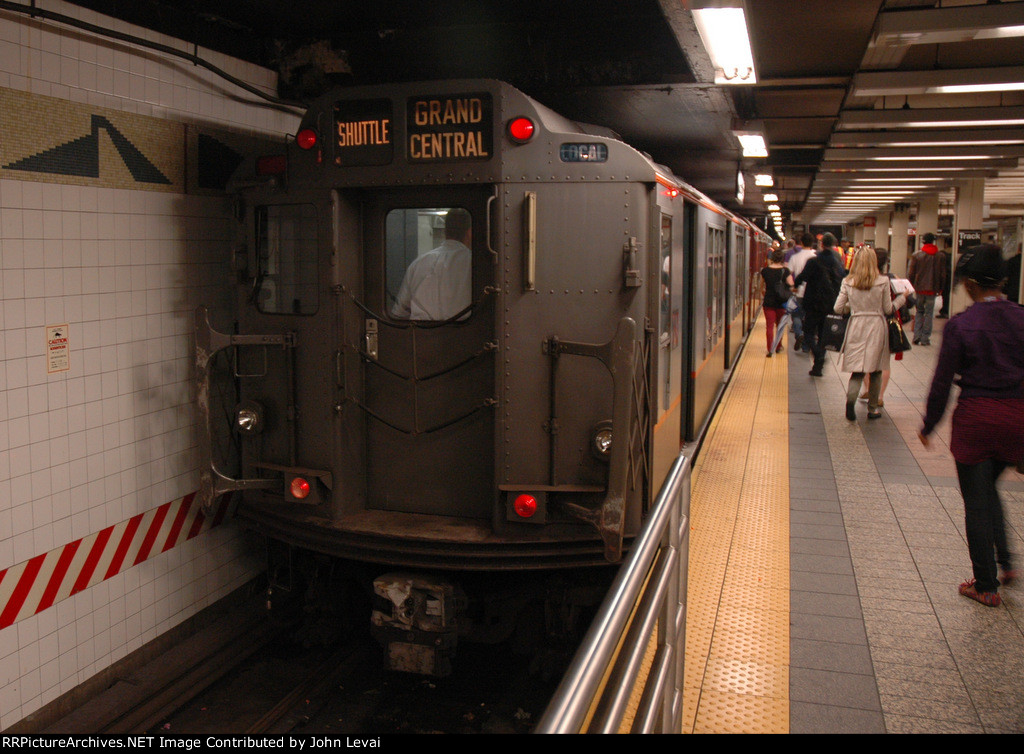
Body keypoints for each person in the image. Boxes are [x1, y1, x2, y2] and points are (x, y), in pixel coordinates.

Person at [918, 244, 1024, 607]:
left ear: (970, 284)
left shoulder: (961, 325)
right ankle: (1007, 563)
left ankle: (986, 585)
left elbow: (942, 381)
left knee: (976, 501)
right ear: (1004, 282)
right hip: (1017, 419)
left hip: (976, 421)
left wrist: (929, 424)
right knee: (989, 487)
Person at [833, 247, 906, 420]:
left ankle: (850, 401)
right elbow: (888, 309)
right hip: (877, 327)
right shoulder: (882, 282)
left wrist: (853, 307)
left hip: (856, 325)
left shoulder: (848, 281)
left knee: (857, 370)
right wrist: (903, 298)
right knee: (876, 370)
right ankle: (873, 409)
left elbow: (837, 308)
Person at [391, 209, 472, 321]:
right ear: (469, 233)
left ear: (445, 231)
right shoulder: (473, 264)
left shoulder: (419, 263)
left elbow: (400, 312)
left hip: (421, 335)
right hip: (465, 334)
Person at [859, 248, 914, 406]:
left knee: (865, 360)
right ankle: (879, 396)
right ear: (885, 262)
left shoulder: (863, 279)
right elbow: (907, 299)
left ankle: (870, 390)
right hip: (887, 324)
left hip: (866, 323)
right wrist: (903, 297)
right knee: (884, 362)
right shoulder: (892, 278)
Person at [794, 232, 846, 376]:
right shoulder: (837, 263)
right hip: (830, 305)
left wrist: (795, 285)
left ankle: (818, 354)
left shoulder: (813, 261)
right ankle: (818, 367)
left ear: (821, 244)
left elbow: (801, 278)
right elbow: (842, 280)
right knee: (823, 335)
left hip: (813, 304)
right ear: (834, 245)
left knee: (809, 332)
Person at [907, 232, 948, 345]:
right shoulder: (940, 256)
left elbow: (911, 273)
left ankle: (916, 336)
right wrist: (941, 288)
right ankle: (925, 338)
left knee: (919, 311)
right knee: (929, 313)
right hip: (933, 289)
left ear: (923, 241)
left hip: (919, 288)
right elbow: (943, 274)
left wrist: (911, 285)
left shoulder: (916, 255)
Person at [760, 248, 794, 357]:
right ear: (782, 259)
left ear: (772, 258)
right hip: (782, 302)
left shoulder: (765, 271)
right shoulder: (785, 271)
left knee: (769, 326)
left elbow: (761, 287)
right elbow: (791, 285)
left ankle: (770, 349)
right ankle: (778, 346)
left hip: (768, 302)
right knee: (780, 325)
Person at [787, 232, 816, 352]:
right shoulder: (816, 256)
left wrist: (792, 286)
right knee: (810, 319)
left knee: (797, 316)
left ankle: (799, 334)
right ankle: (806, 345)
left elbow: (788, 274)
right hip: (813, 294)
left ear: (801, 243)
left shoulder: (795, 257)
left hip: (798, 292)